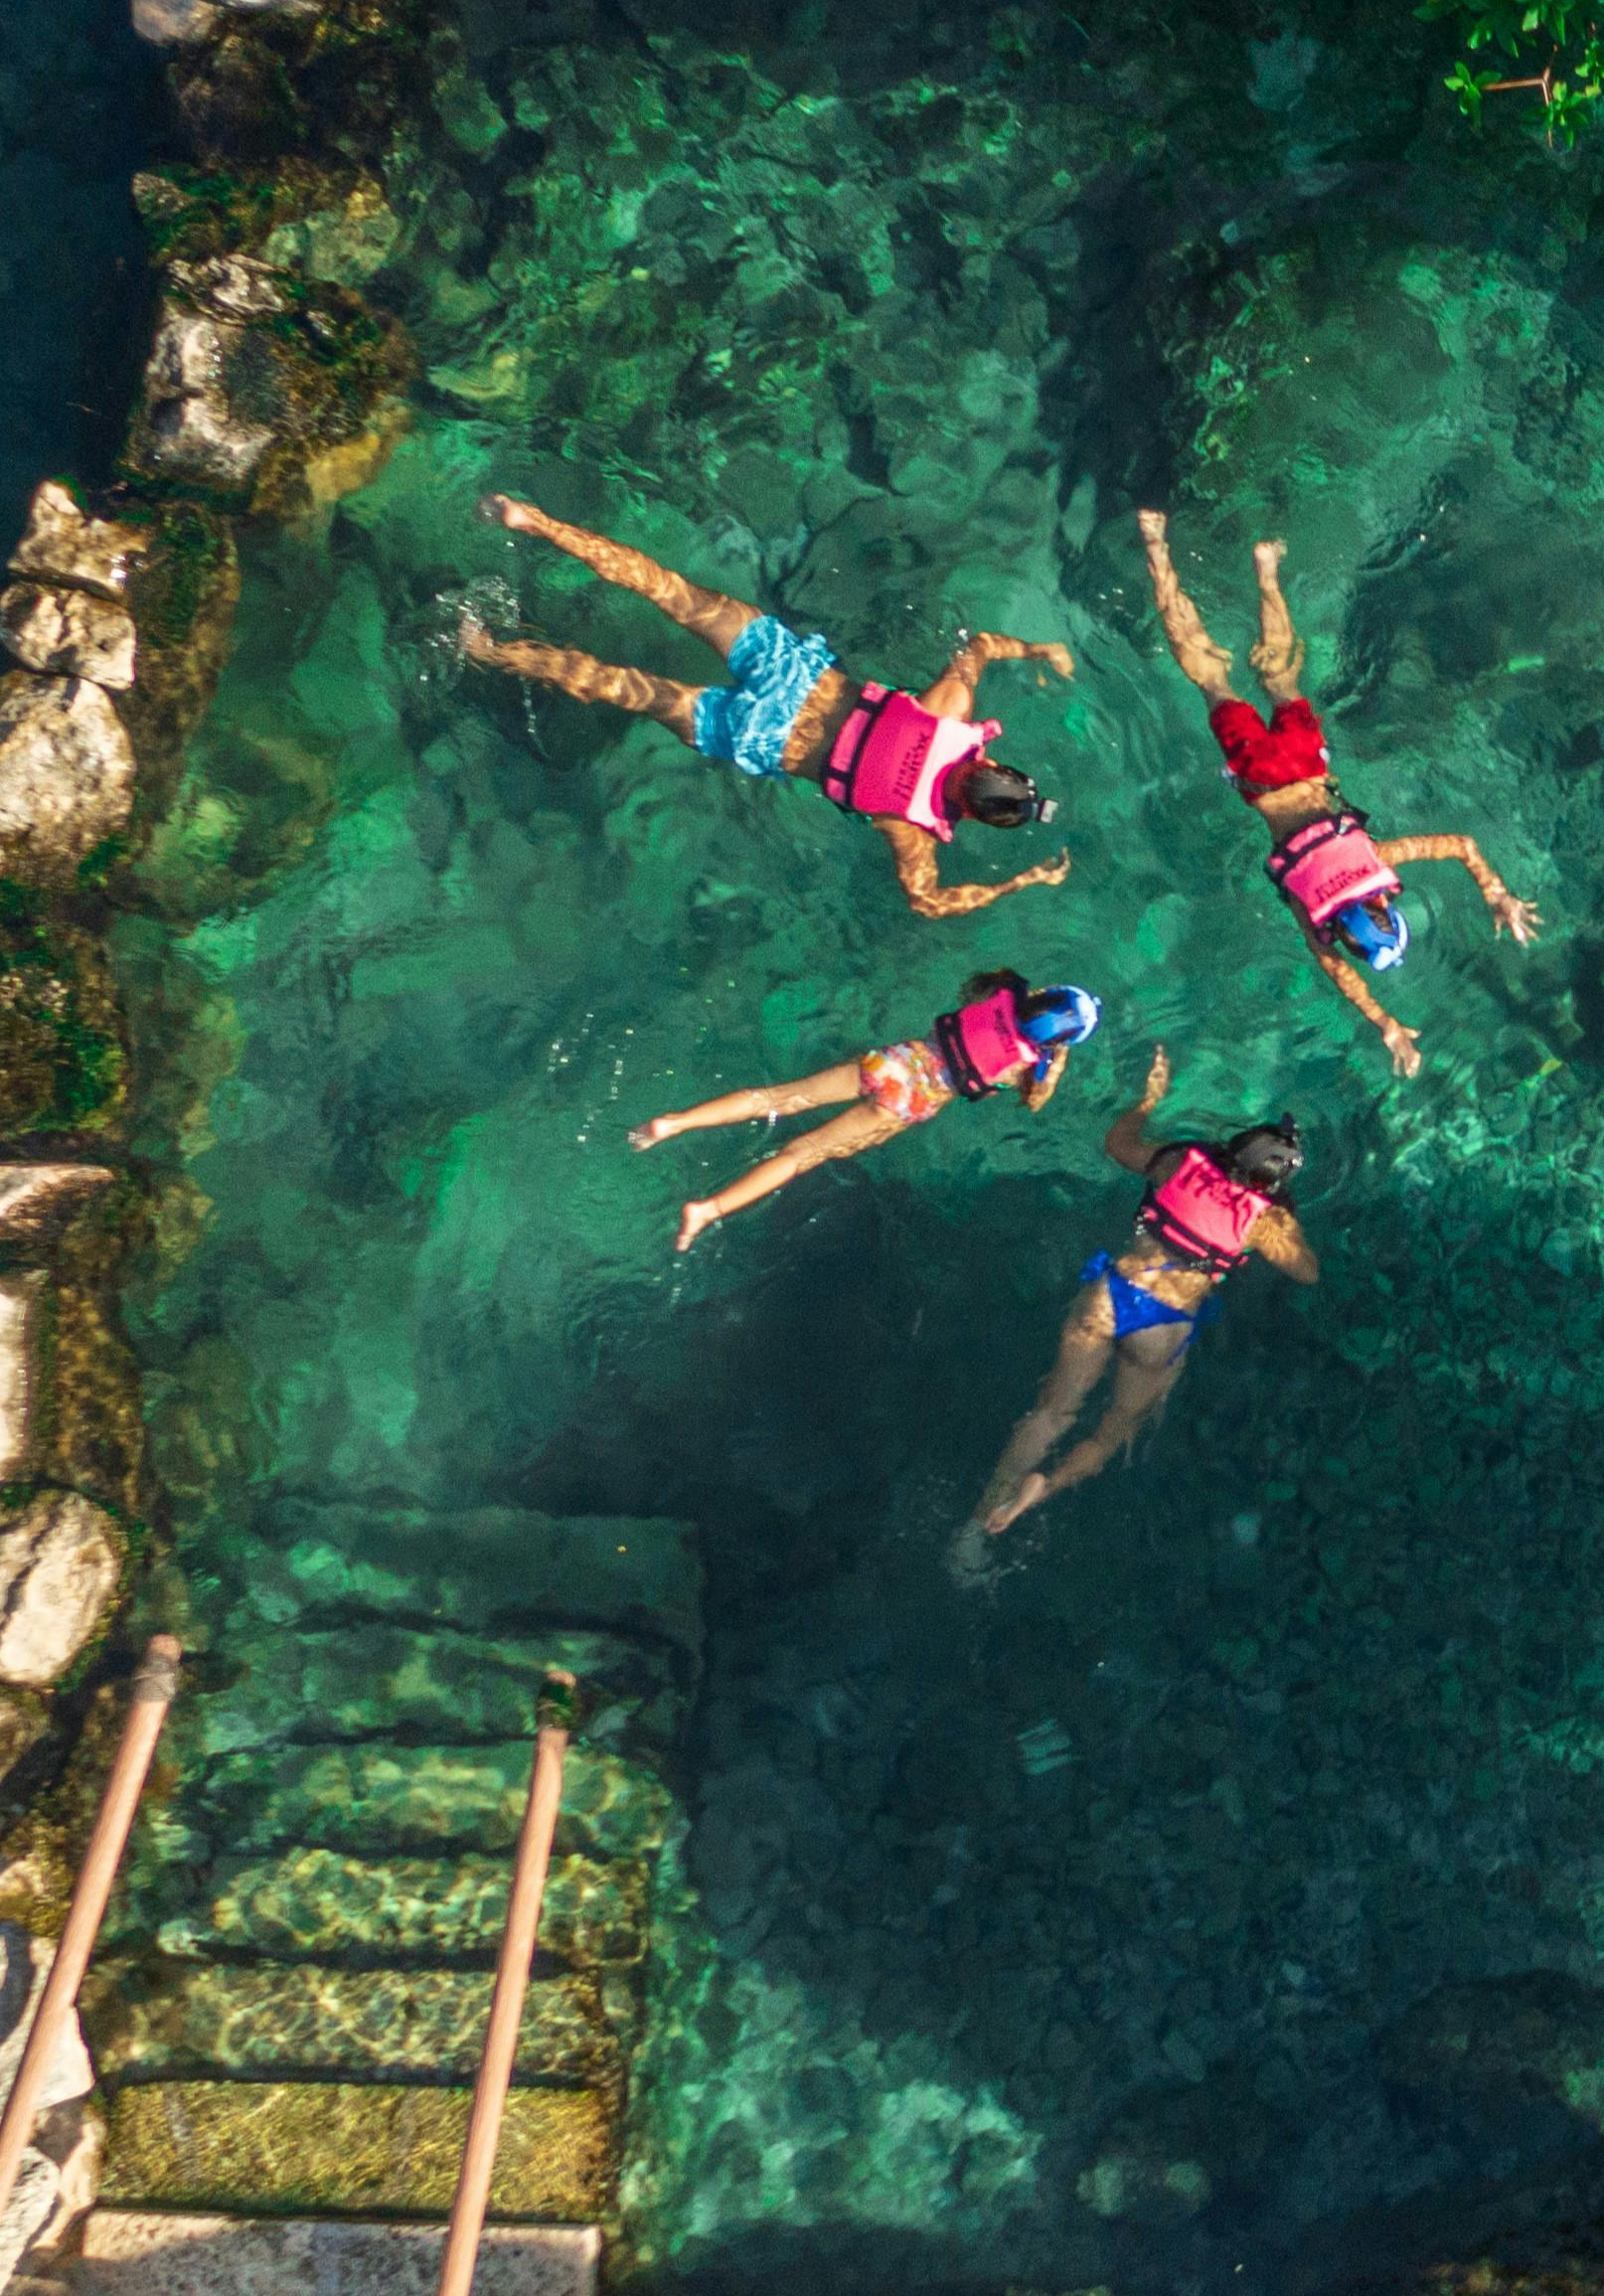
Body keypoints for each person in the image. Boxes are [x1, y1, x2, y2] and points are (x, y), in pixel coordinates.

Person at [460, 493, 1079, 920]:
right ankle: (490, 652)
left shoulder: (950, 712)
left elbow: (982, 646)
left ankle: (531, 521)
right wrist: (1017, 882)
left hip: (793, 673)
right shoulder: (912, 829)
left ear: (993, 762)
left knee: (667, 589)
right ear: (971, 816)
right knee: (619, 684)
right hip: (760, 737)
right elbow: (927, 901)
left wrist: (1039, 648)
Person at [1138, 510, 1538, 1073]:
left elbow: (1461, 844)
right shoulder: (1313, 911)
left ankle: (1267, 570)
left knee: (1281, 680)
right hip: (1259, 777)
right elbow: (1339, 973)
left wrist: (1497, 894)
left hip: (1304, 763)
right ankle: (1156, 547)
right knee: (1211, 679)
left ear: (1385, 905)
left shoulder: (1379, 862)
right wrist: (1385, 1025)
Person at [969, 1046, 1318, 1537]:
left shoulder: (1180, 1161)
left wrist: (1148, 1100)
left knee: (1051, 1412)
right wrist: (1282, 1219)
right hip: (1163, 1325)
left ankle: (979, 1521)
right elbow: (1306, 1271)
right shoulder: (1264, 1221)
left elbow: (1118, 1143)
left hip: (1111, 1295)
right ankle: (1041, 1491)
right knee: (1117, 1428)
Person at [631, 972, 1100, 1251]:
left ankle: (674, 1123)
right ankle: (706, 1209)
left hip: (895, 1061)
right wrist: (1054, 1061)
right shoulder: (1029, 1063)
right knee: (802, 1154)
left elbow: (970, 989)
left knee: (774, 1097)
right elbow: (1034, 1102)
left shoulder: (1001, 993)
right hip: (909, 1101)